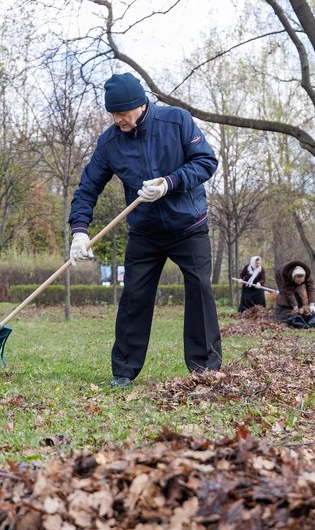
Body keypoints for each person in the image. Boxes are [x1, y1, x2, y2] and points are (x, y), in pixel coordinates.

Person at [68, 72, 221, 388]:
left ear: (140, 104)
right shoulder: (110, 142)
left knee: (200, 292)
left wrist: (170, 182)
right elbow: (87, 187)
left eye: (122, 113)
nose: (118, 119)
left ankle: (205, 368)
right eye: (113, 113)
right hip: (145, 233)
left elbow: (206, 161)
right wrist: (79, 230)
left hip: (188, 226)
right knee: (134, 297)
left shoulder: (176, 121)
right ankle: (123, 370)